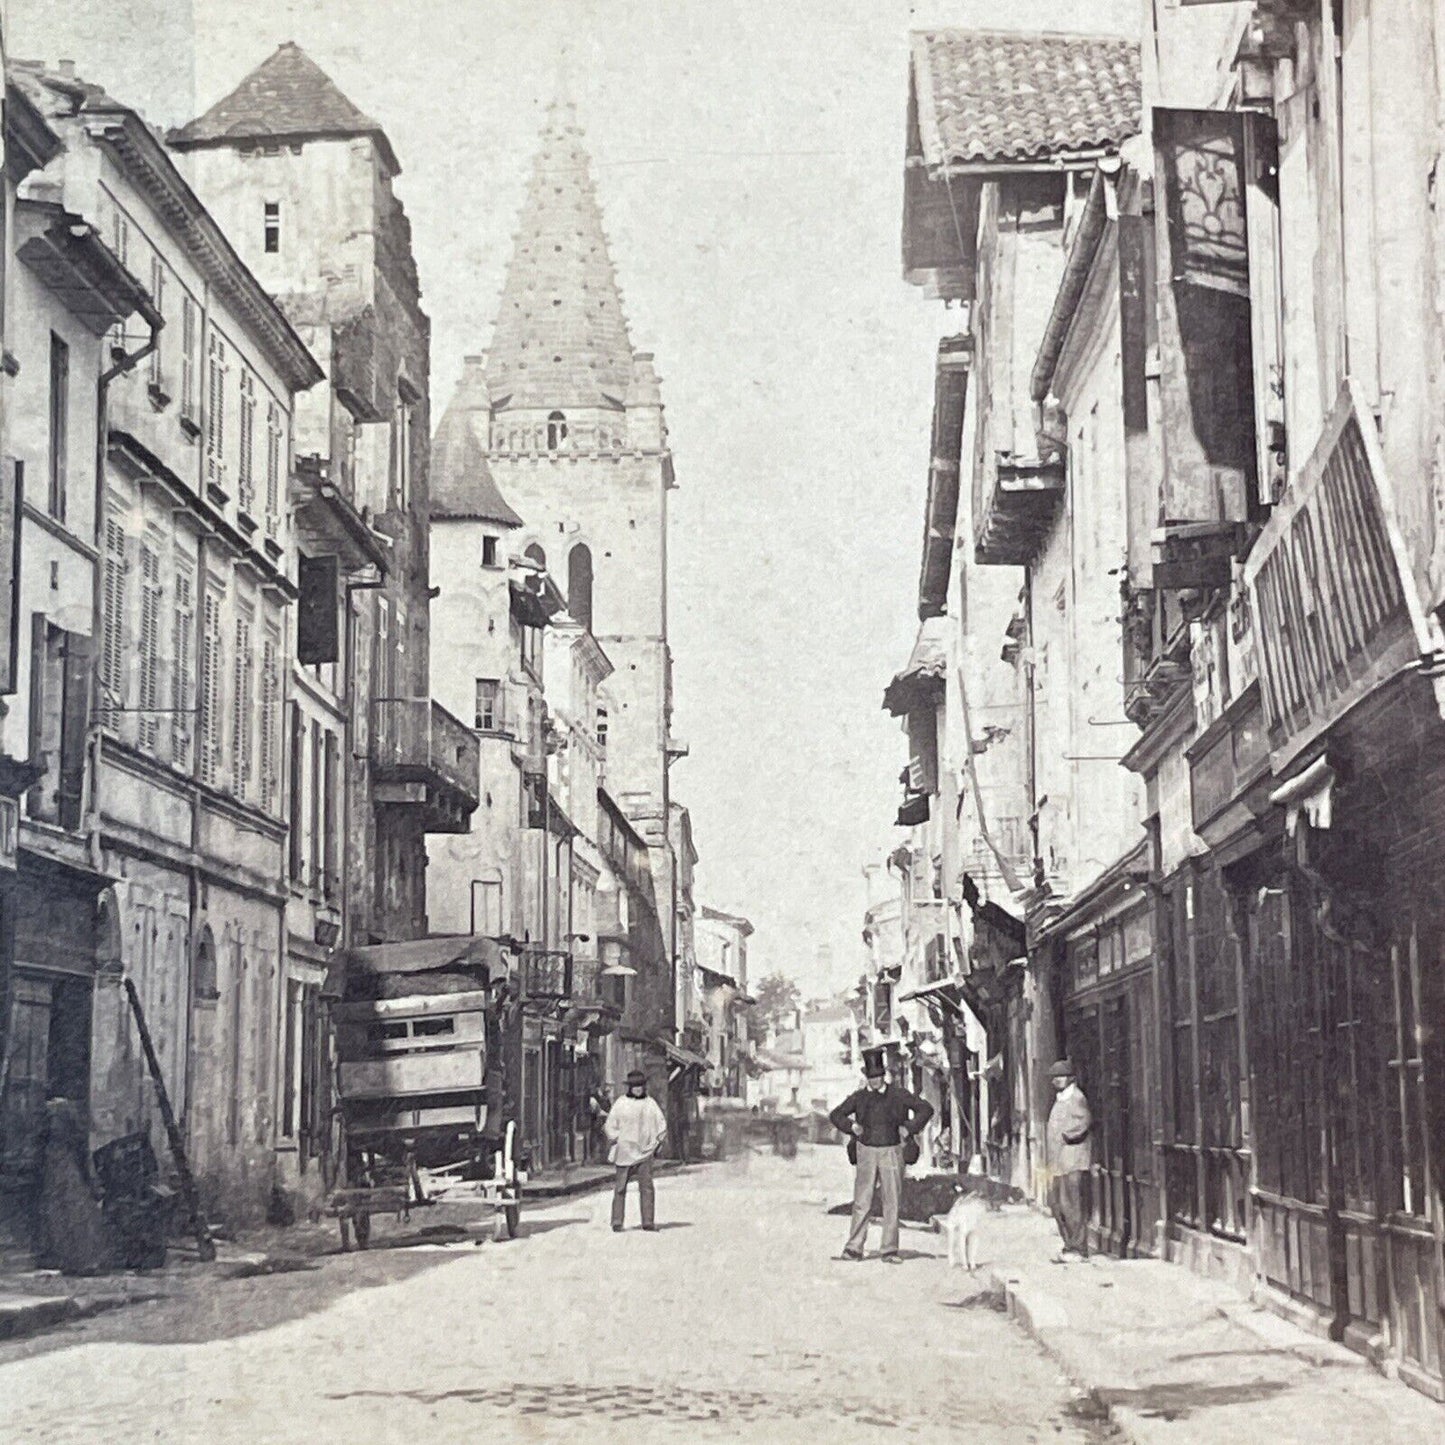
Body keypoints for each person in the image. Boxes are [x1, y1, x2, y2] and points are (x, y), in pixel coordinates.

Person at [828, 1048, 933, 1262]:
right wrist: (851, 1126)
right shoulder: (859, 1097)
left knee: (892, 1200)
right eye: (871, 1077)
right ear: (866, 1076)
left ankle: (889, 1250)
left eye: (877, 1076)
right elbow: (835, 1114)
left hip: (892, 1150)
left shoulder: (898, 1094)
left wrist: (910, 1128)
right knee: (862, 1201)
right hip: (865, 1151)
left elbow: (925, 1109)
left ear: (883, 1074)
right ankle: (854, 1248)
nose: (874, 1080)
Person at [605, 1069, 667, 1232]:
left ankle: (648, 1221)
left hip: (645, 1152)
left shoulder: (650, 1104)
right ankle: (617, 1221)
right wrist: (618, 1138)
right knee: (620, 1188)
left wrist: (657, 1142)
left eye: (640, 1086)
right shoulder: (620, 1103)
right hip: (624, 1151)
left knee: (646, 1187)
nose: (638, 1089)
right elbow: (610, 1125)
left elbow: (661, 1125)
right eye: (634, 1086)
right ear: (629, 1088)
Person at [1046, 1059, 1093, 1262]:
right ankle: (1068, 1245)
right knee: (1058, 1205)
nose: (1057, 1080)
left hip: (1073, 1160)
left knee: (1072, 1205)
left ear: (1071, 1078)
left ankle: (1078, 1248)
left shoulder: (1076, 1097)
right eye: (1054, 1077)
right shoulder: (1061, 1098)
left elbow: (1085, 1120)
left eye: (1061, 1076)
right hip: (1059, 1162)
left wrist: (1068, 1135)